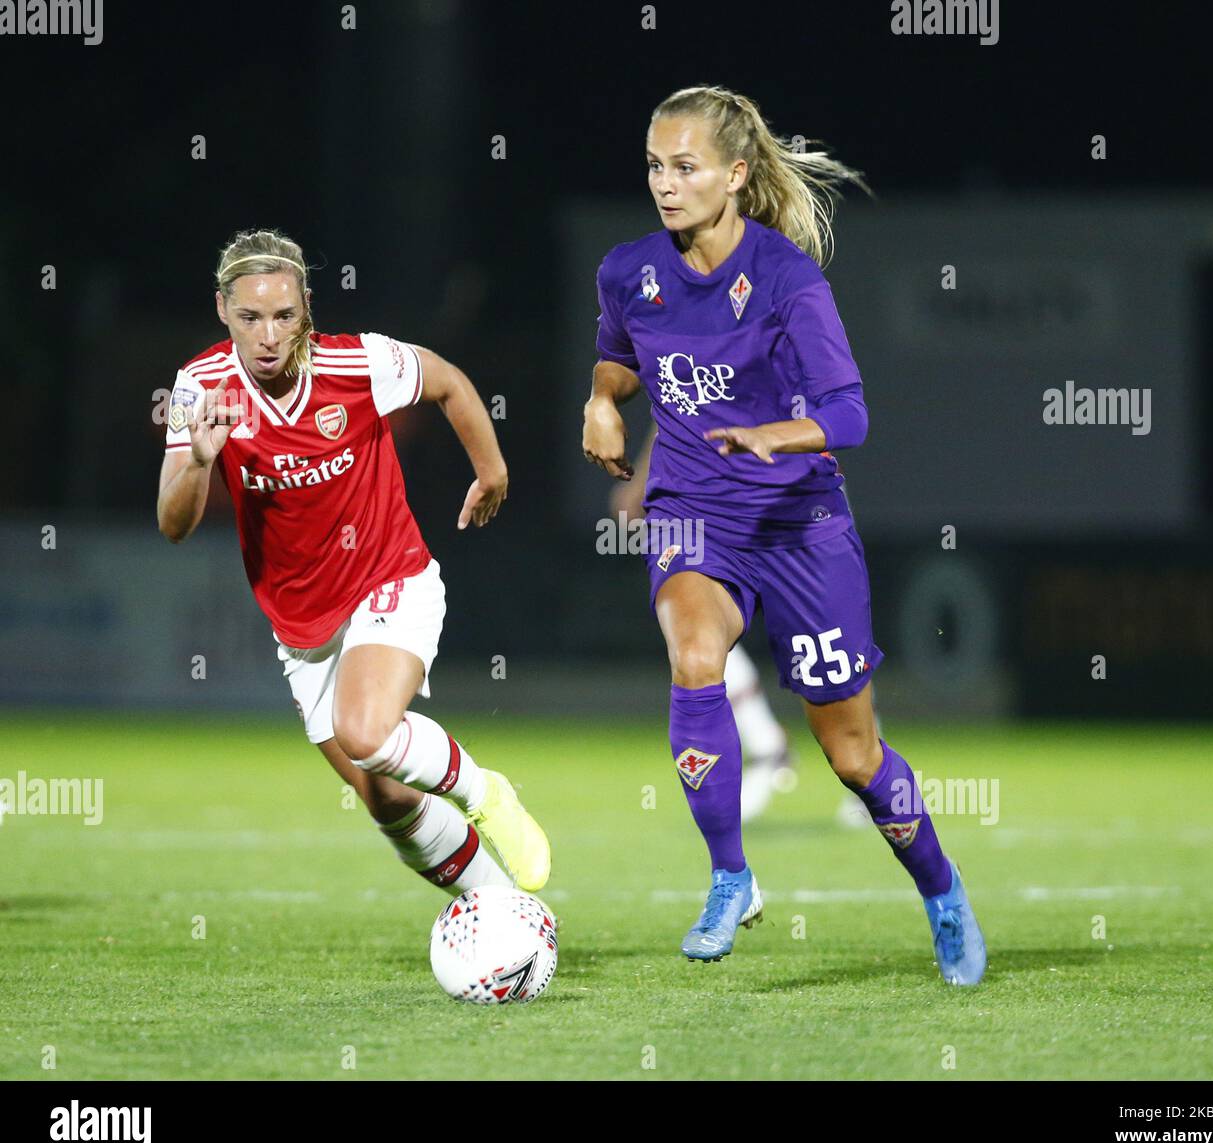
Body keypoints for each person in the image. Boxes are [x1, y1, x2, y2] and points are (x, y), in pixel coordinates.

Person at [581, 86, 985, 983]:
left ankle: (942, 888)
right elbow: (620, 359)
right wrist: (604, 402)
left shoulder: (788, 278)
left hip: (801, 522)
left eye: (685, 167)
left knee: (852, 755)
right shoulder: (628, 271)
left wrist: (773, 434)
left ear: (735, 173)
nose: (665, 183)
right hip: (696, 513)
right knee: (695, 655)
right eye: (655, 165)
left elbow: (849, 413)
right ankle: (731, 876)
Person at [158, 228, 550, 899]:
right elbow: (174, 524)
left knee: (365, 731)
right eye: (250, 318)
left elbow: (448, 382)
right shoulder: (201, 387)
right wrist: (199, 459)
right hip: (302, 627)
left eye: (284, 316)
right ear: (223, 312)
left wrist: (491, 471)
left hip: (389, 578)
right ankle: (503, 908)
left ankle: (486, 791)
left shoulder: (358, 364)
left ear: (307, 306)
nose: (269, 336)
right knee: (390, 802)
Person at [610, 425, 798, 823]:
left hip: (789, 491)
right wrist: (642, 480)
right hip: (711, 502)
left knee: (827, 640)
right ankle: (766, 742)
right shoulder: (688, 371)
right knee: (699, 623)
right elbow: (671, 411)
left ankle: (866, 757)